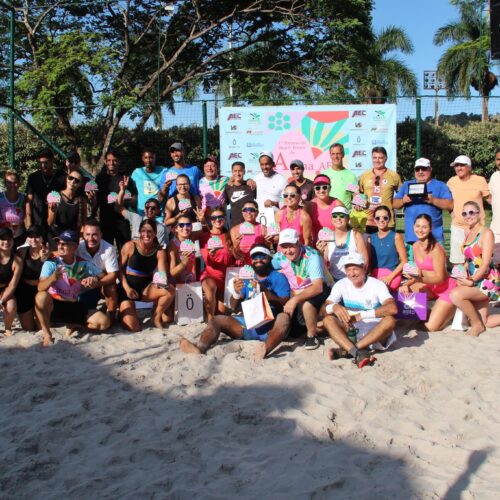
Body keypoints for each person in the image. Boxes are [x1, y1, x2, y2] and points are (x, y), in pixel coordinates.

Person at [179, 244, 291, 360]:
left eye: (262, 256)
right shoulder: (247, 276)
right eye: (254, 257)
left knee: (284, 318)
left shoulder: (278, 277)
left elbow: (285, 302)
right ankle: (200, 348)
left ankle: (265, 349)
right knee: (216, 319)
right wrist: (236, 293)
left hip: (270, 327)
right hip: (247, 325)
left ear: (269, 258)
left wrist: (267, 294)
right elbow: (233, 307)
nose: (258, 260)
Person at [35, 229, 110, 347]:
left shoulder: (83, 264)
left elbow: (103, 276)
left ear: (74, 247)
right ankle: (47, 334)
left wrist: (94, 280)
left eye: (65, 244)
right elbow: (40, 287)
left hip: (73, 304)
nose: (60, 246)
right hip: (55, 305)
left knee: (104, 322)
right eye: (59, 243)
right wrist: (53, 277)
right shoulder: (51, 263)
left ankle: (74, 325)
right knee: (41, 297)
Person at [322, 253, 397, 368]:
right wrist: (334, 307)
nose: (351, 273)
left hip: (375, 332)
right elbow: (324, 309)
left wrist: (362, 315)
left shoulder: (377, 284)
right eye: (348, 269)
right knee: (328, 320)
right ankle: (357, 352)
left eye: (355, 269)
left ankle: (349, 350)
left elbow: (392, 308)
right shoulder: (341, 284)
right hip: (351, 329)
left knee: (390, 321)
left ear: (364, 268)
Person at [272, 228, 331, 349]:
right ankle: (320, 324)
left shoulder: (312, 256)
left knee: (307, 305)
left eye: (291, 246)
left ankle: (312, 337)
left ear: (299, 243)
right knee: (294, 333)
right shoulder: (279, 257)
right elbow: (266, 269)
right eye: (284, 246)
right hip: (298, 291)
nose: (288, 251)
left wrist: (294, 300)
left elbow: (318, 287)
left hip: (320, 288)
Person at [449, 201, 500, 336]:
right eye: (464, 213)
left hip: (487, 281)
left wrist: (472, 280)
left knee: (456, 295)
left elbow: (485, 264)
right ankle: (480, 323)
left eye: (471, 212)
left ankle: (477, 326)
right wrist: (460, 273)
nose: (468, 216)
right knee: (486, 321)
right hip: (475, 278)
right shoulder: (468, 231)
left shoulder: (486, 233)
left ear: (479, 214)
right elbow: (469, 260)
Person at [401, 214, 457, 332]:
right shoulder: (415, 246)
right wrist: (406, 284)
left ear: (430, 228)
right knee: (402, 293)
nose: (420, 230)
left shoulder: (436, 249)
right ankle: (430, 312)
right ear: (413, 226)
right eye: (418, 226)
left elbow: (440, 278)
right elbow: (418, 271)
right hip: (430, 286)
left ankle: (450, 310)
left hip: (446, 289)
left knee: (430, 327)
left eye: (424, 227)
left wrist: (418, 279)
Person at [119, 219, 175, 332]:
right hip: (127, 290)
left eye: (149, 231)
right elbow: (119, 270)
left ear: (155, 233)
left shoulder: (159, 251)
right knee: (133, 327)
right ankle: (123, 312)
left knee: (170, 290)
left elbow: (162, 273)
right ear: (139, 232)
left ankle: (156, 316)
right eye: (143, 231)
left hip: (146, 289)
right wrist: (127, 288)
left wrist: (161, 282)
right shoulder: (130, 246)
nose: (146, 234)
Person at [393, 158, 453, 250]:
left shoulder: (440, 185)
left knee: (437, 264)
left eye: (424, 169)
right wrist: (403, 200)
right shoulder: (406, 185)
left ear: (430, 169)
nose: (420, 172)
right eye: (417, 169)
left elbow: (450, 205)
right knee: (412, 264)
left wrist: (432, 200)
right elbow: (394, 204)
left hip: (435, 238)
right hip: (412, 238)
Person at [447, 155, 489, 264]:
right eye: (456, 166)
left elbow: (490, 199)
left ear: (469, 167)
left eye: (462, 165)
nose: (458, 168)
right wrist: (453, 214)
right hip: (458, 228)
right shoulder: (451, 181)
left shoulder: (480, 180)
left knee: (477, 261)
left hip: (477, 228)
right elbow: (448, 202)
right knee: (458, 263)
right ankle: (460, 281)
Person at [76, 219, 120, 325]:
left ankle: (112, 317)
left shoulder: (108, 248)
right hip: (83, 285)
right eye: (87, 234)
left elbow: (113, 275)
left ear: (101, 234)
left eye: (94, 235)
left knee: (111, 288)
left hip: (100, 284)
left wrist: (96, 283)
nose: (90, 238)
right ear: (83, 235)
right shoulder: (77, 248)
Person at [94, 149, 138, 249]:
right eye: (109, 160)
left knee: (124, 248)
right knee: (105, 249)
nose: (111, 163)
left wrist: (122, 201)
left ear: (119, 161)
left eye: (114, 160)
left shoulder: (126, 178)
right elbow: (96, 199)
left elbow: (134, 198)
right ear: (105, 161)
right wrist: (92, 214)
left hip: (122, 220)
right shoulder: (100, 178)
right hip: (105, 219)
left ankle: (124, 265)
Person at [199, 207, 234, 320]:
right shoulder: (205, 236)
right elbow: (208, 261)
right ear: (210, 220)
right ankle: (210, 321)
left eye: (220, 217)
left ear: (225, 219)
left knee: (222, 312)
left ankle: (210, 306)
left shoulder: (229, 235)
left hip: (225, 277)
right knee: (210, 289)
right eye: (214, 218)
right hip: (210, 273)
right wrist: (211, 253)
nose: (217, 220)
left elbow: (234, 259)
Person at [317, 206, 369, 282]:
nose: (338, 218)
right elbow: (324, 263)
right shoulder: (328, 237)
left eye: (342, 216)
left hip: (353, 279)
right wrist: (320, 253)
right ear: (331, 219)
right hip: (333, 280)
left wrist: (357, 280)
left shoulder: (355, 235)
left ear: (348, 219)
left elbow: (365, 260)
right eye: (335, 216)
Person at [359, 146, 402, 234]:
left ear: (385, 158)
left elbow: (401, 194)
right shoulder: (364, 175)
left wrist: (394, 204)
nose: (377, 160)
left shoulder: (394, 176)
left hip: (387, 221)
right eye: (374, 158)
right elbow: (359, 194)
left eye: (380, 158)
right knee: (368, 247)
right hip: (368, 221)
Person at [116, 177, 169, 247]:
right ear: (144, 209)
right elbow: (119, 207)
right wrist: (122, 190)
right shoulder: (136, 218)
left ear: (158, 211)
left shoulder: (160, 228)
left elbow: (161, 249)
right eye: (147, 207)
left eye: (153, 208)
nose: (150, 210)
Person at [15, 225, 50, 331]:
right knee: (28, 328)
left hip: (40, 290)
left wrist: (46, 258)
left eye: (37, 236)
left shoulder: (47, 252)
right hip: (24, 291)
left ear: (42, 238)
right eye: (30, 236)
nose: (33, 239)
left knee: (41, 327)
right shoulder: (21, 251)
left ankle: (40, 314)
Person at [25, 149, 66, 236]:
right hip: (37, 220)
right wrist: (28, 221)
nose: (43, 165)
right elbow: (29, 201)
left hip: (56, 220)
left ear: (52, 161)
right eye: (40, 163)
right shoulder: (33, 177)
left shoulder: (62, 176)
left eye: (46, 162)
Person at [368, 205, 407, 291]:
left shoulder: (396, 237)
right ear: (374, 220)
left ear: (389, 219)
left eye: (385, 218)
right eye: (378, 218)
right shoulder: (370, 238)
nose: (381, 220)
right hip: (375, 275)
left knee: (380, 290)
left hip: (392, 274)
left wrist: (390, 277)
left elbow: (404, 261)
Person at [47, 169, 87, 249]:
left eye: (77, 180)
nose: (72, 181)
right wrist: (53, 211)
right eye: (71, 178)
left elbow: (83, 223)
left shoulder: (81, 200)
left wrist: (81, 238)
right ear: (66, 178)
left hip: (72, 239)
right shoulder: (55, 197)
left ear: (80, 184)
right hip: (56, 237)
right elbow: (50, 223)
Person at [306, 174, 344, 243]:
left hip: (336, 246)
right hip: (316, 248)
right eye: (318, 188)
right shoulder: (310, 206)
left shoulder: (338, 204)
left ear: (330, 188)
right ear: (314, 189)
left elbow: (345, 228)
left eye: (324, 187)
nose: (321, 190)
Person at [253, 151, 287, 224]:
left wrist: (273, 203)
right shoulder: (255, 179)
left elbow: (287, 201)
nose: (264, 167)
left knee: (273, 235)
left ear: (273, 164)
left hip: (274, 221)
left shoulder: (282, 180)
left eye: (267, 164)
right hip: (257, 220)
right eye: (262, 164)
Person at [230, 200, 267, 265]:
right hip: (242, 267)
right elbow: (236, 255)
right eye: (245, 209)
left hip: (258, 265)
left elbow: (266, 252)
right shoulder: (235, 230)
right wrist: (235, 245)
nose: (248, 212)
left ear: (257, 212)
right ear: (242, 212)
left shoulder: (263, 228)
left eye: (252, 210)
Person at [0, 228, 22, 336]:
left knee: (11, 305)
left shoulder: (17, 260)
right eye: (2, 239)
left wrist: (1, 300)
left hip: (6, 288)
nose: (6, 242)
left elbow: (12, 285)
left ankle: (7, 327)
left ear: (13, 241)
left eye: (9, 239)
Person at [322, 143, 358, 209]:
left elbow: (356, 197)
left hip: (345, 216)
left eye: (338, 153)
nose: (336, 156)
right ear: (330, 155)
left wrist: (359, 204)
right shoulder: (324, 175)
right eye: (333, 154)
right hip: (328, 216)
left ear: (343, 154)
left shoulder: (351, 176)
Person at [130, 148, 165, 215]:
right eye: (146, 157)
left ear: (155, 158)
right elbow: (131, 189)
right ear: (142, 158)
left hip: (158, 213)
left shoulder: (163, 171)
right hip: (142, 212)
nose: (148, 160)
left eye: (151, 157)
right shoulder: (137, 172)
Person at [166, 215, 198, 285]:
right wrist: (185, 261)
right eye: (181, 225)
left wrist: (203, 221)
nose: (185, 228)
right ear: (176, 229)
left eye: (188, 224)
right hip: (178, 286)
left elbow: (204, 231)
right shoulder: (173, 246)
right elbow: (172, 273)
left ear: (192, 227)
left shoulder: (192, 238)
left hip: (192, 282)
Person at [224, 161, 256, 228]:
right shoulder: (228, 187)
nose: (237, 173)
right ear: (232, 172)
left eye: (240, 171)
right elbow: (225, 204)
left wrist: (249, 180)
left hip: (250, 224)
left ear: (244, 172)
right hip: (235, 225)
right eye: (235, 171)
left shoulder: (251, 185)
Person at [0, 170, 26, 247]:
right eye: (9, 183)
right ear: (5, 184)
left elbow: (27, 216)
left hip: (20, 237)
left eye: (15, 182)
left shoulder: (23, 198)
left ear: (19, 184)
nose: (12, 185)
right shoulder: (0, 198)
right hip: (3, 238)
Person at [488, 147, 500, 263]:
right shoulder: (494, 177)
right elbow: (490, 198)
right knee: (497, 263)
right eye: (498, 159)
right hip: (496, 229)